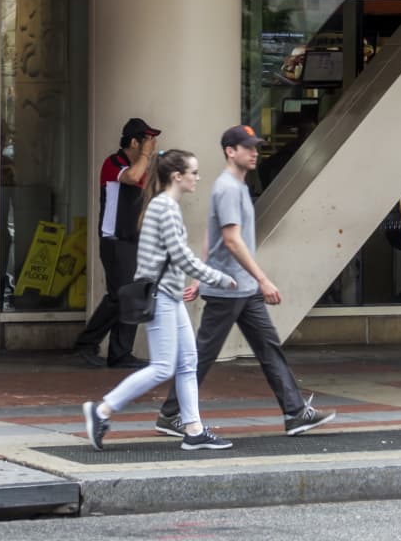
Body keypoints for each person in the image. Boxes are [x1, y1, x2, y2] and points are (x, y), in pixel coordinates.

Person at [157, 125, 336, 439]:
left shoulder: (236, 187)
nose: (255, 153)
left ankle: (295, 413)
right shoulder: (227, 188)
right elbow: (230, 240)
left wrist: (200, 276)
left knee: (267, 349)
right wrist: (263, 279)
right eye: (248, 147)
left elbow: (211, 236)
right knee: (204, 355)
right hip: (230, 289)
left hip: (241, 288)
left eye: (256, 147)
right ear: (230, 151)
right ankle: (171, 413)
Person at [80, 148, 238, 453]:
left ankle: (193, 429)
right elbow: (182, 256)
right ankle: (102, 411)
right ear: (177, 176)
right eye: (193, 172)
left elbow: (174, 257)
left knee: (188, 361)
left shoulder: (165, 205)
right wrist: (217, 278)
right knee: (165, 367)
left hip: (169, 294)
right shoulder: (164, 207)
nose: (197, 178)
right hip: (162, 296)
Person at [72, 117, 159, 369]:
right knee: (120, 296)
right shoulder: (114, 163)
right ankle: (88, 343)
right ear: (133, 142)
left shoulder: (143, 167)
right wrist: (145, 156)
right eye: (146, 141)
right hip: (115, 240)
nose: (151, 146)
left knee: (132, 295)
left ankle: (120, 353)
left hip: (135, 239)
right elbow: (132, 177)